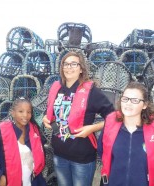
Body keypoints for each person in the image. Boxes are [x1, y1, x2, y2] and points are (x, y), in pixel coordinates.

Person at [42, 51, 115, 186]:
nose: (69, 67)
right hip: (59, 153)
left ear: (81, 68)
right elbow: (51, 114)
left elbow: (114, 116)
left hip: (82, 157)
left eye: (73, 64)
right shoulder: (56, 88)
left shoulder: (92, 91)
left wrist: (93, 128)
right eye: (66, 64)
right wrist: (45, 119)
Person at [98, 81, 154, 186]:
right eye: (125, 99)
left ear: (145, 105)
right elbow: (102, 152)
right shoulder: (110, 128)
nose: (128, 103)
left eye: (135, 100)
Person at [0, 97, 46, 186]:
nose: (25, 115)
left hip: (34, 182)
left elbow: (41, 153)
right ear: (13, 113)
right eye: (21, 111)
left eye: (28, 112)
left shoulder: (35, 132)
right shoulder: (0, 134)